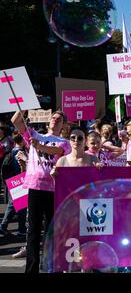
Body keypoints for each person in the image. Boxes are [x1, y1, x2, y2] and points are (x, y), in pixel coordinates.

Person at [12, 110, 71, 273]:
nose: (55, 120)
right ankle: (31, 269)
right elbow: (16, 121)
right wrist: (24, 105)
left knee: (51, 230)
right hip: (36, 186)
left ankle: (48, 265)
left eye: (59, 119)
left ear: (63, 124)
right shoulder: (34, 135)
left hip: (53, 188)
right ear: (48, 121)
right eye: (53, 117)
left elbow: (57, 152)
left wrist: (39, 145)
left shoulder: (65, 142)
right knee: (33, 230)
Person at [0, 131, 28, 237]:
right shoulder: (20, 152)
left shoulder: (12, 151)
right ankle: (19, 229)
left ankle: (14, 228)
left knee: (16, 206)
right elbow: (22, 170)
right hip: (20, 181)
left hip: (14, 181)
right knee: (19, 207)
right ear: (23, 140)